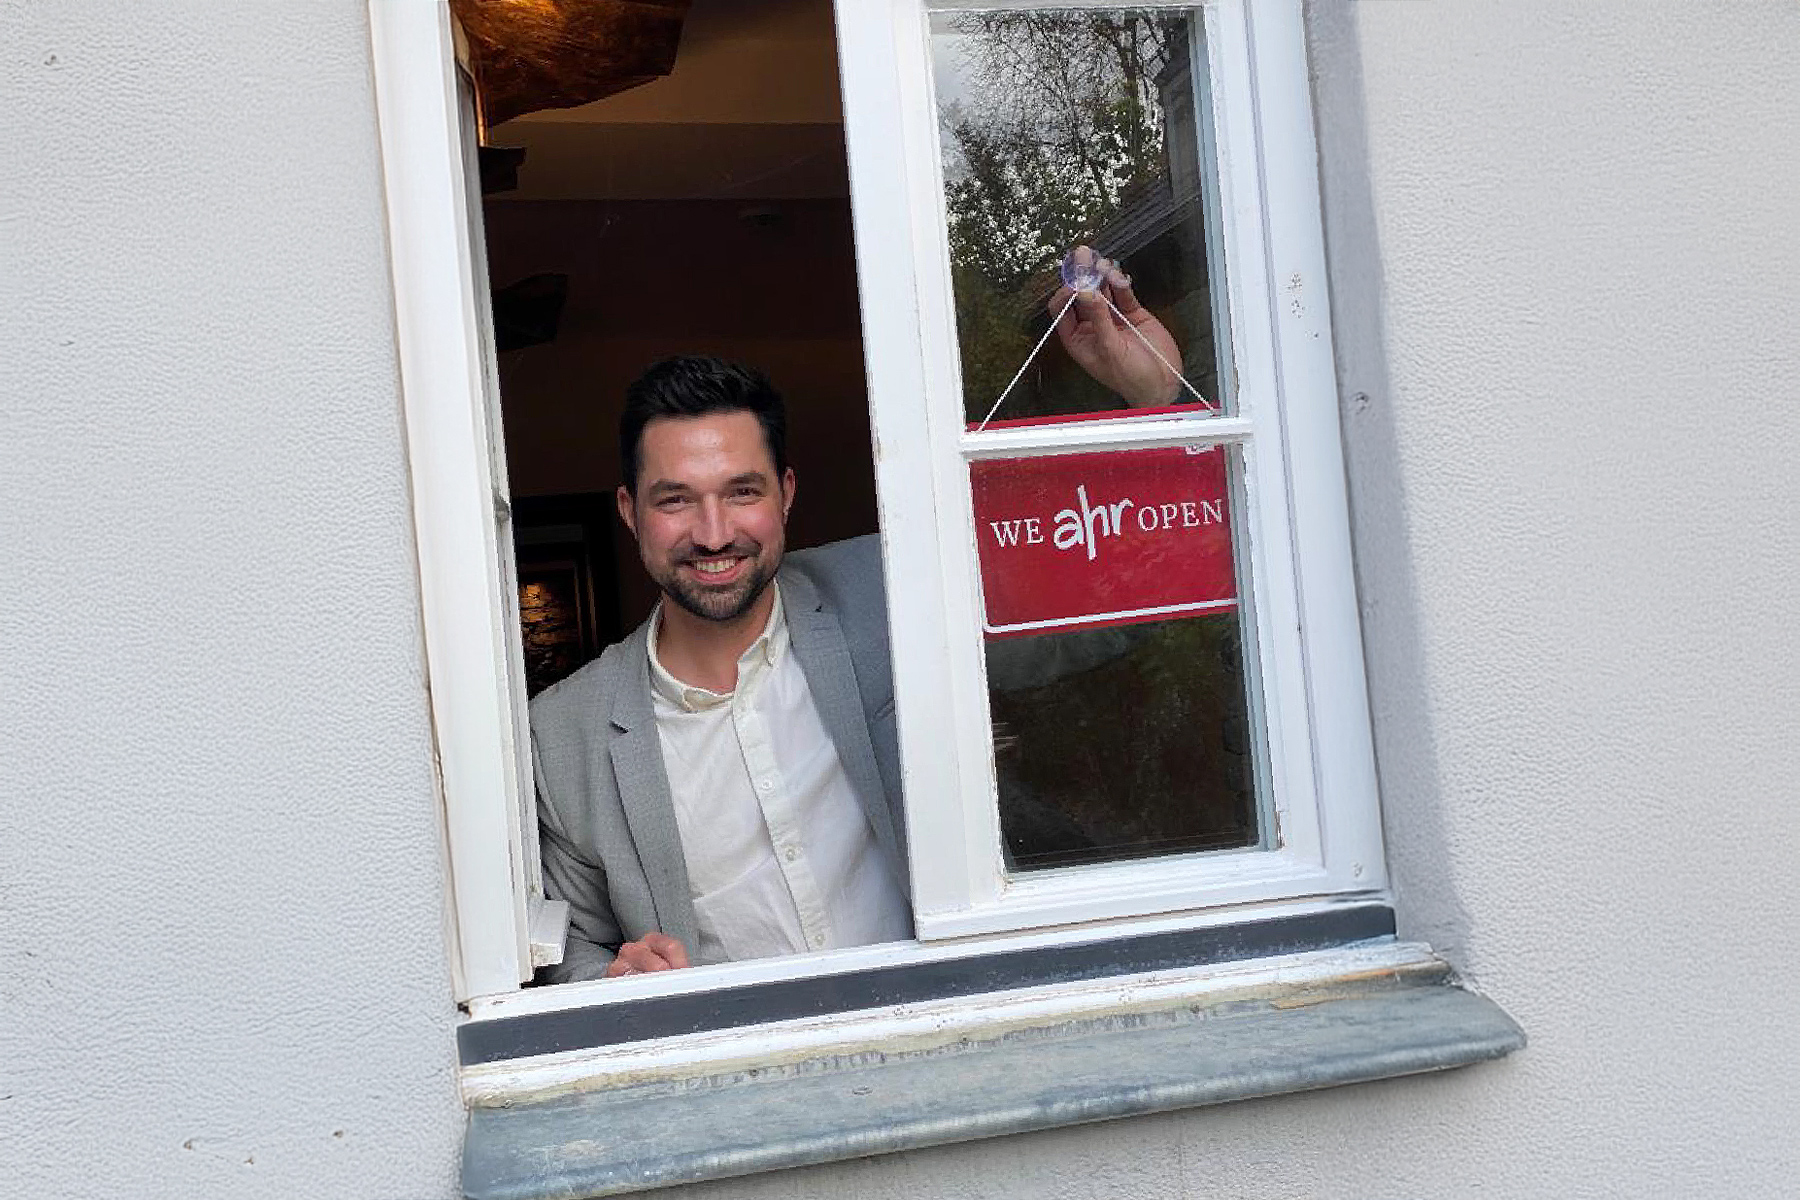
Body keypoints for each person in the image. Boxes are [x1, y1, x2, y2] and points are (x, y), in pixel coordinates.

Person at [531, 250, 1186, 982]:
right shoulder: (563, 736)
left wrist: (1153, 404)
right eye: (675, 499)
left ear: (786, 494)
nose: (713, 533)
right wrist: (611, 981)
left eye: (742, 491)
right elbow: (565, 946)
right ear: (630, 511)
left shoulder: (890, 591)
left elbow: (1110, 608)